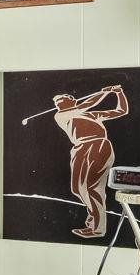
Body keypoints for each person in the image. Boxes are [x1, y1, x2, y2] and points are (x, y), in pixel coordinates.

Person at [52, 85, 128, 238]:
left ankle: (97, 228)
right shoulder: (61, 116)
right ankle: (95, 220)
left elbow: (122, 111)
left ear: (72, 100)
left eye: (63, 99)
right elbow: (86, 104)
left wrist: (119, 93)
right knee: (77, 188)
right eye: (57, 102)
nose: (59, 103)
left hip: (99, 145)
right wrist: (104, 92)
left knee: (93, 187)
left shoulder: (93, 116)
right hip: (79, 148)